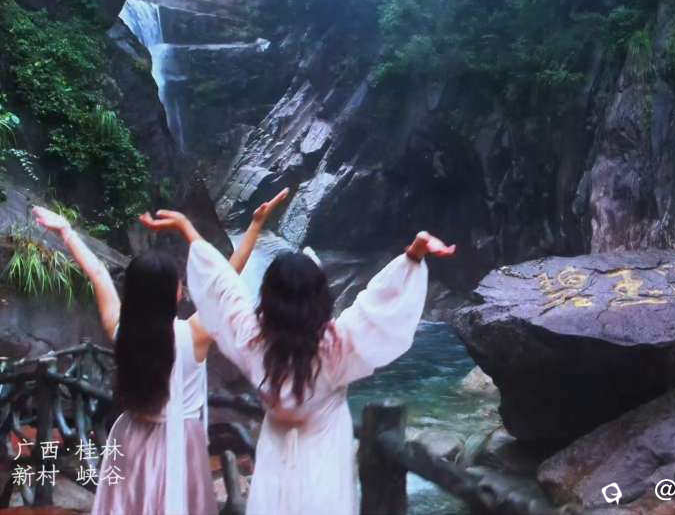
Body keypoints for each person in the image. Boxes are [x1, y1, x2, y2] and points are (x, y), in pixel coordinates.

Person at [139, 189, 455, 515]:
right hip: (325, 469)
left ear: (267, 296)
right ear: (320, 296)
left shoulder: (253, 341)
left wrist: (188, 230)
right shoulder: (337, 347)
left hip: (275, 469)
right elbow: (376, 306)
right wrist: (414, 254)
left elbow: (223, 288)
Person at [31, 194, 287, 515]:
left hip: (132, 434)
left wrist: (66, 231)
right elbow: (224, 281)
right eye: (179, 281)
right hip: (181, 443)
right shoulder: (195, 334)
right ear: (174, 293)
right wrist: (253, 227)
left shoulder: (120, 328)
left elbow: (97, 272)